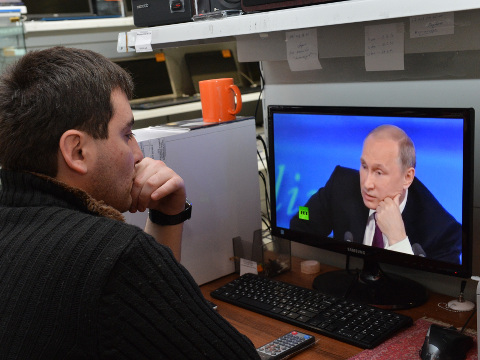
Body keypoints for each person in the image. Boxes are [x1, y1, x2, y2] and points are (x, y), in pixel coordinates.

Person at [0, 46, 260, 359]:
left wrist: (167, 216)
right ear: (77, 151)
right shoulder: (115, 255)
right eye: (127, 134)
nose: (138, 154)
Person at [290, 124, 462, 264]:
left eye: (379, 172)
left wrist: (398, 239)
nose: (367, 184)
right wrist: (306, 211)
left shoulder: (441, 230)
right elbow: (302, 219)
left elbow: (439, 292)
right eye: (364, 167)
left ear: (407, 177)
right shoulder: (341, 185)